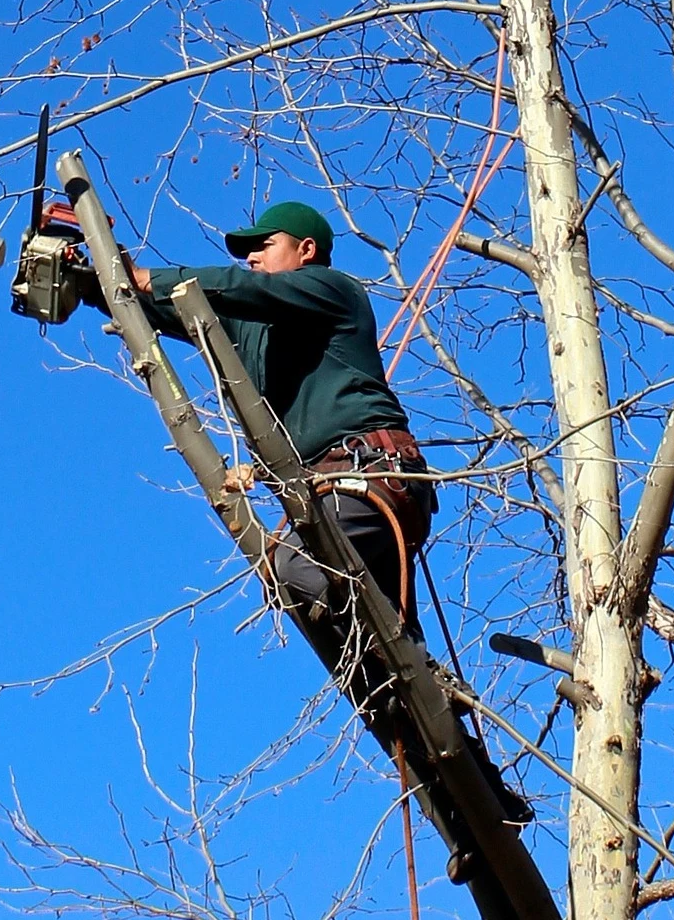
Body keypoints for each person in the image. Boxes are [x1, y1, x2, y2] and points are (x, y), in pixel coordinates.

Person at [85, 201, 437, 636]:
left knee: (292, 566)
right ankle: (419, 683)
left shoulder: (332, 290)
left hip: (371, 473)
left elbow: (239, 289)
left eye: (264, 246)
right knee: (378, 650)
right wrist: (93, 278)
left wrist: (148, 277)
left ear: (305, 249)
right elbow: (168, 308)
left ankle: (401, 660)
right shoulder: (252, 326)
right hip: (331, 491)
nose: (250, 258)